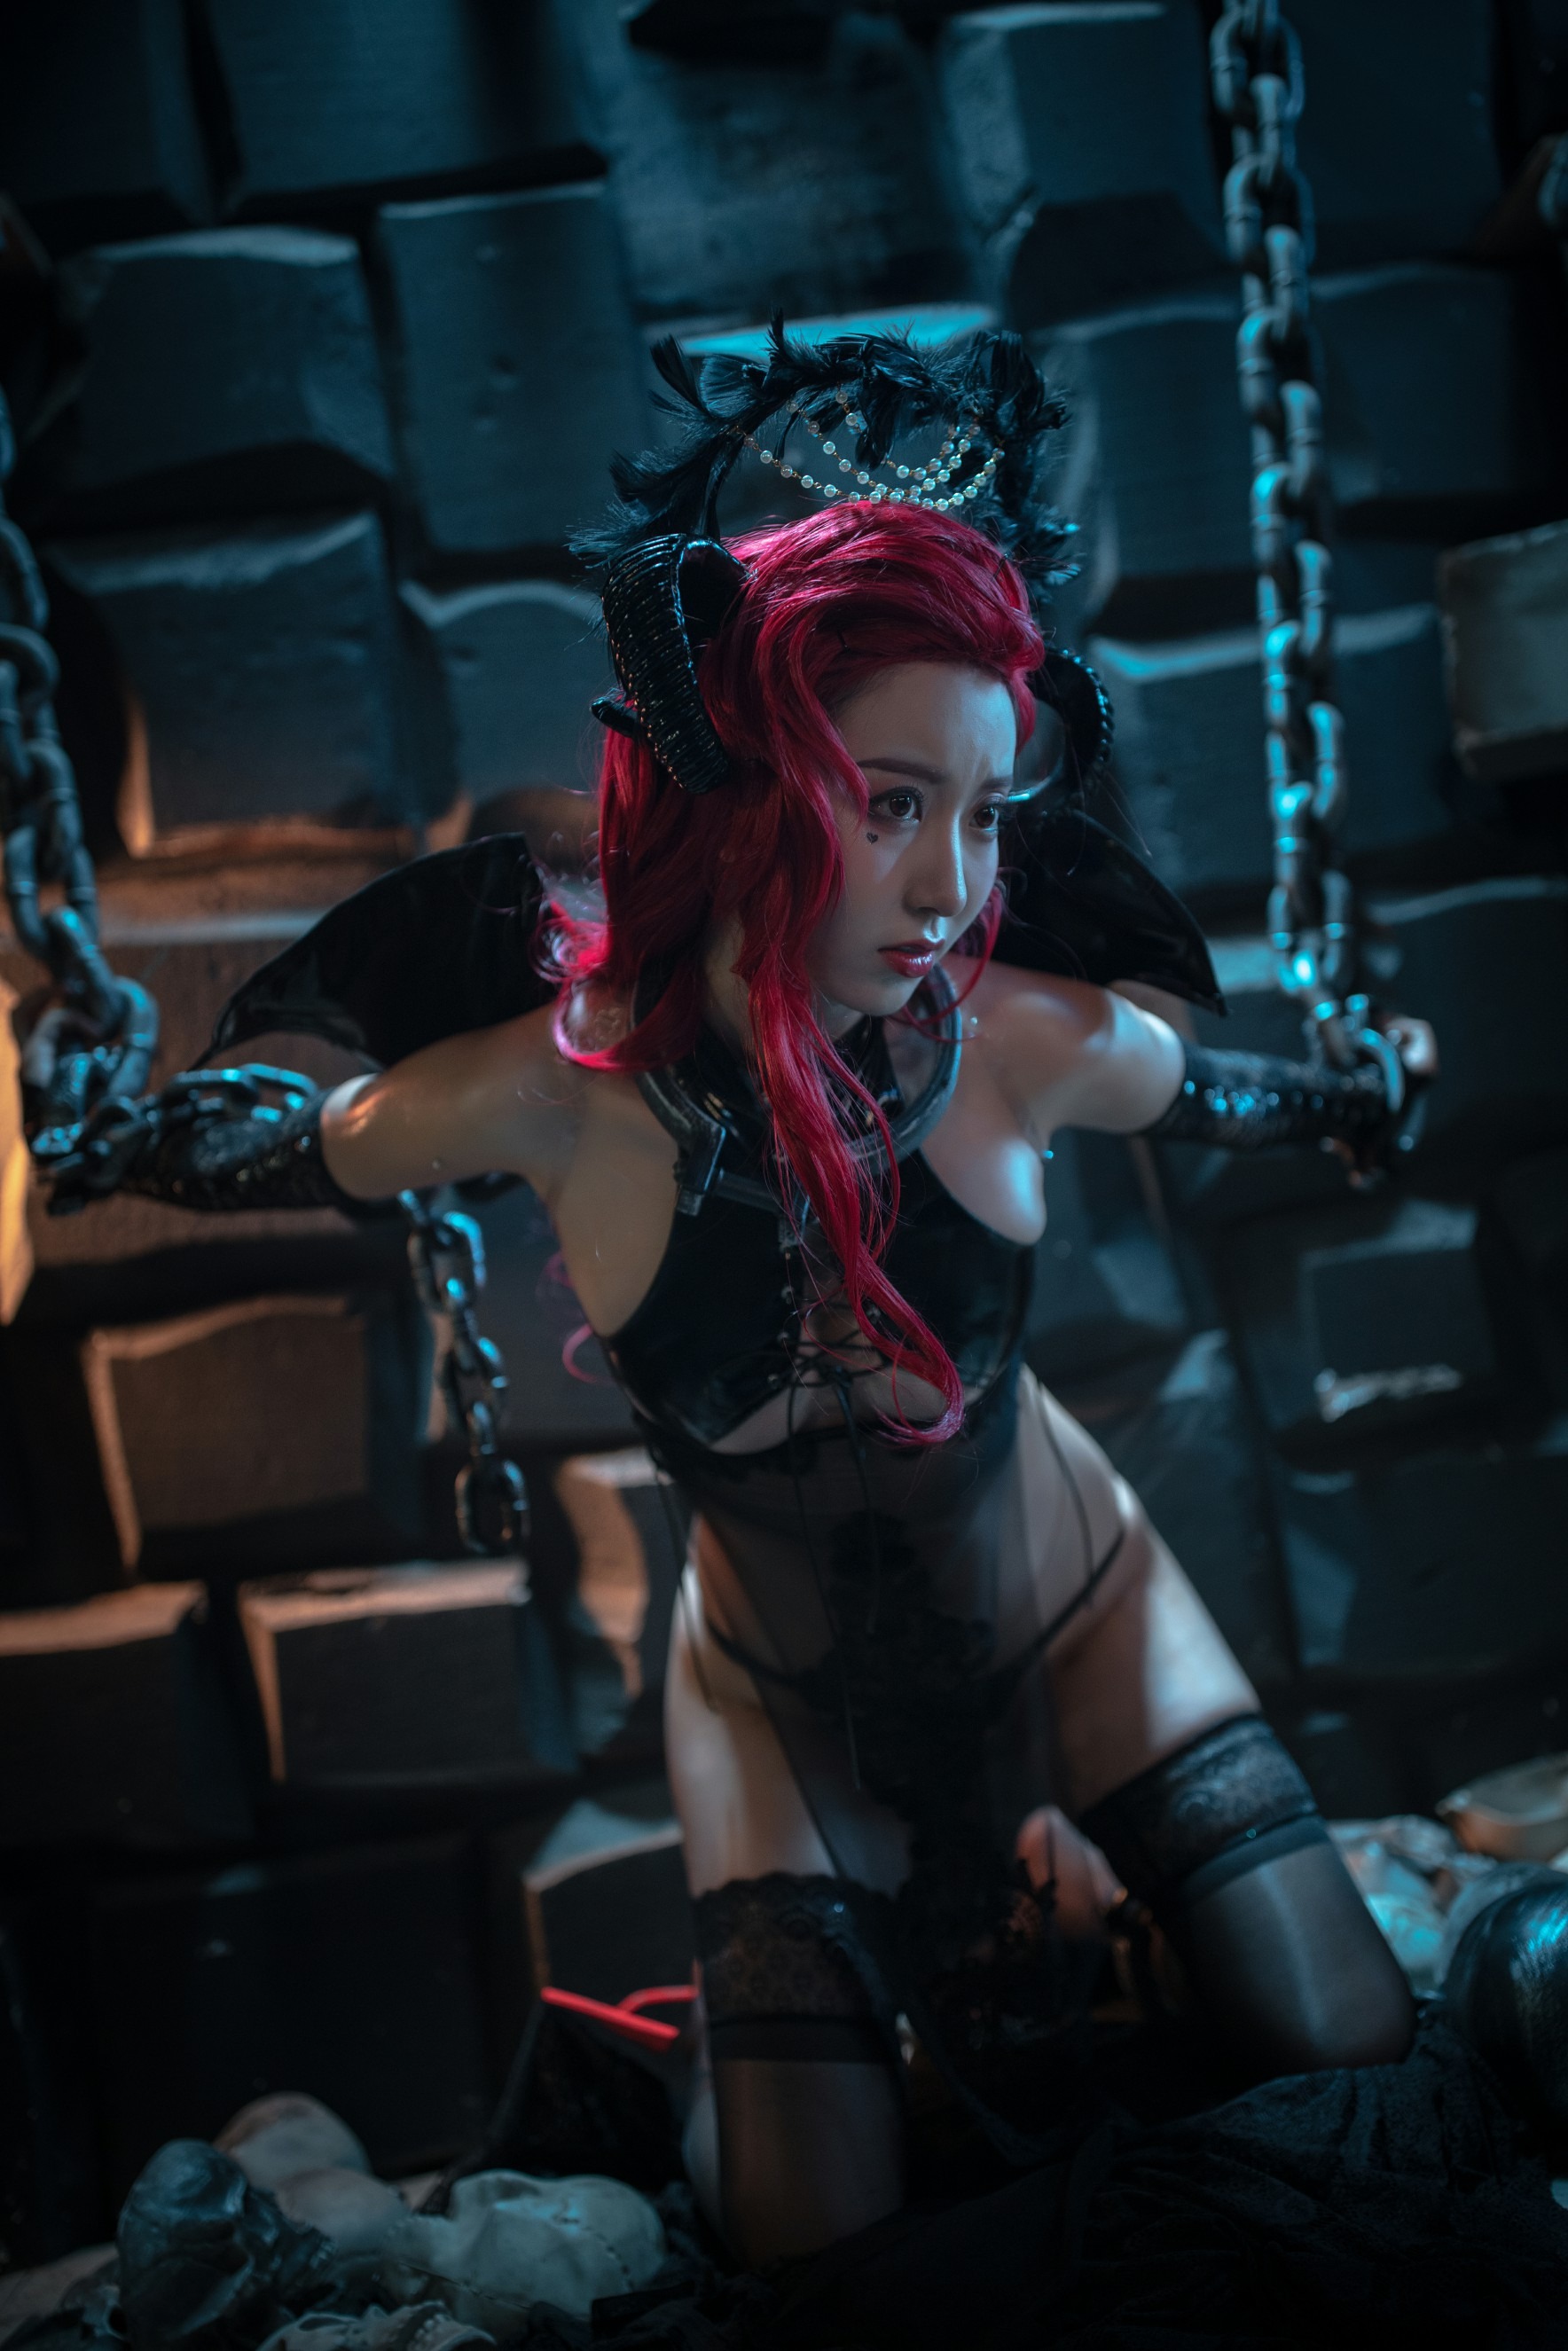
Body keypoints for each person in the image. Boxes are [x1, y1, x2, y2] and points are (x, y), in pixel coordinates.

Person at [33, 331, 1433, 2269]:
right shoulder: (563, 1091)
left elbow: (1224, 1094)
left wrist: (1363, 1091)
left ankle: (1097, 1952)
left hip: (1089, 1624)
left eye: (986, 813)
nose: (950, 887)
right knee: (813, 2249)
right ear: (752, 780)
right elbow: (321, 1139)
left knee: (1347, 2052)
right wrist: (108, 1142)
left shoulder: (1021, 1043)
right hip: (779, 1717)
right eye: (890, 802)